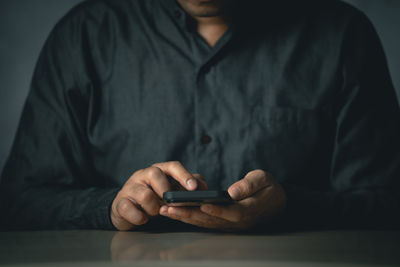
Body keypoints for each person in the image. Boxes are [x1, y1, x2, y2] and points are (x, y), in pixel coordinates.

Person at [1, 0, 399, 231]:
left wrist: (290, 205)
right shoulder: (84, 34)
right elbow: (18, 200)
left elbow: (386, 202)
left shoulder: (342, 33)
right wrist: (110, 207)